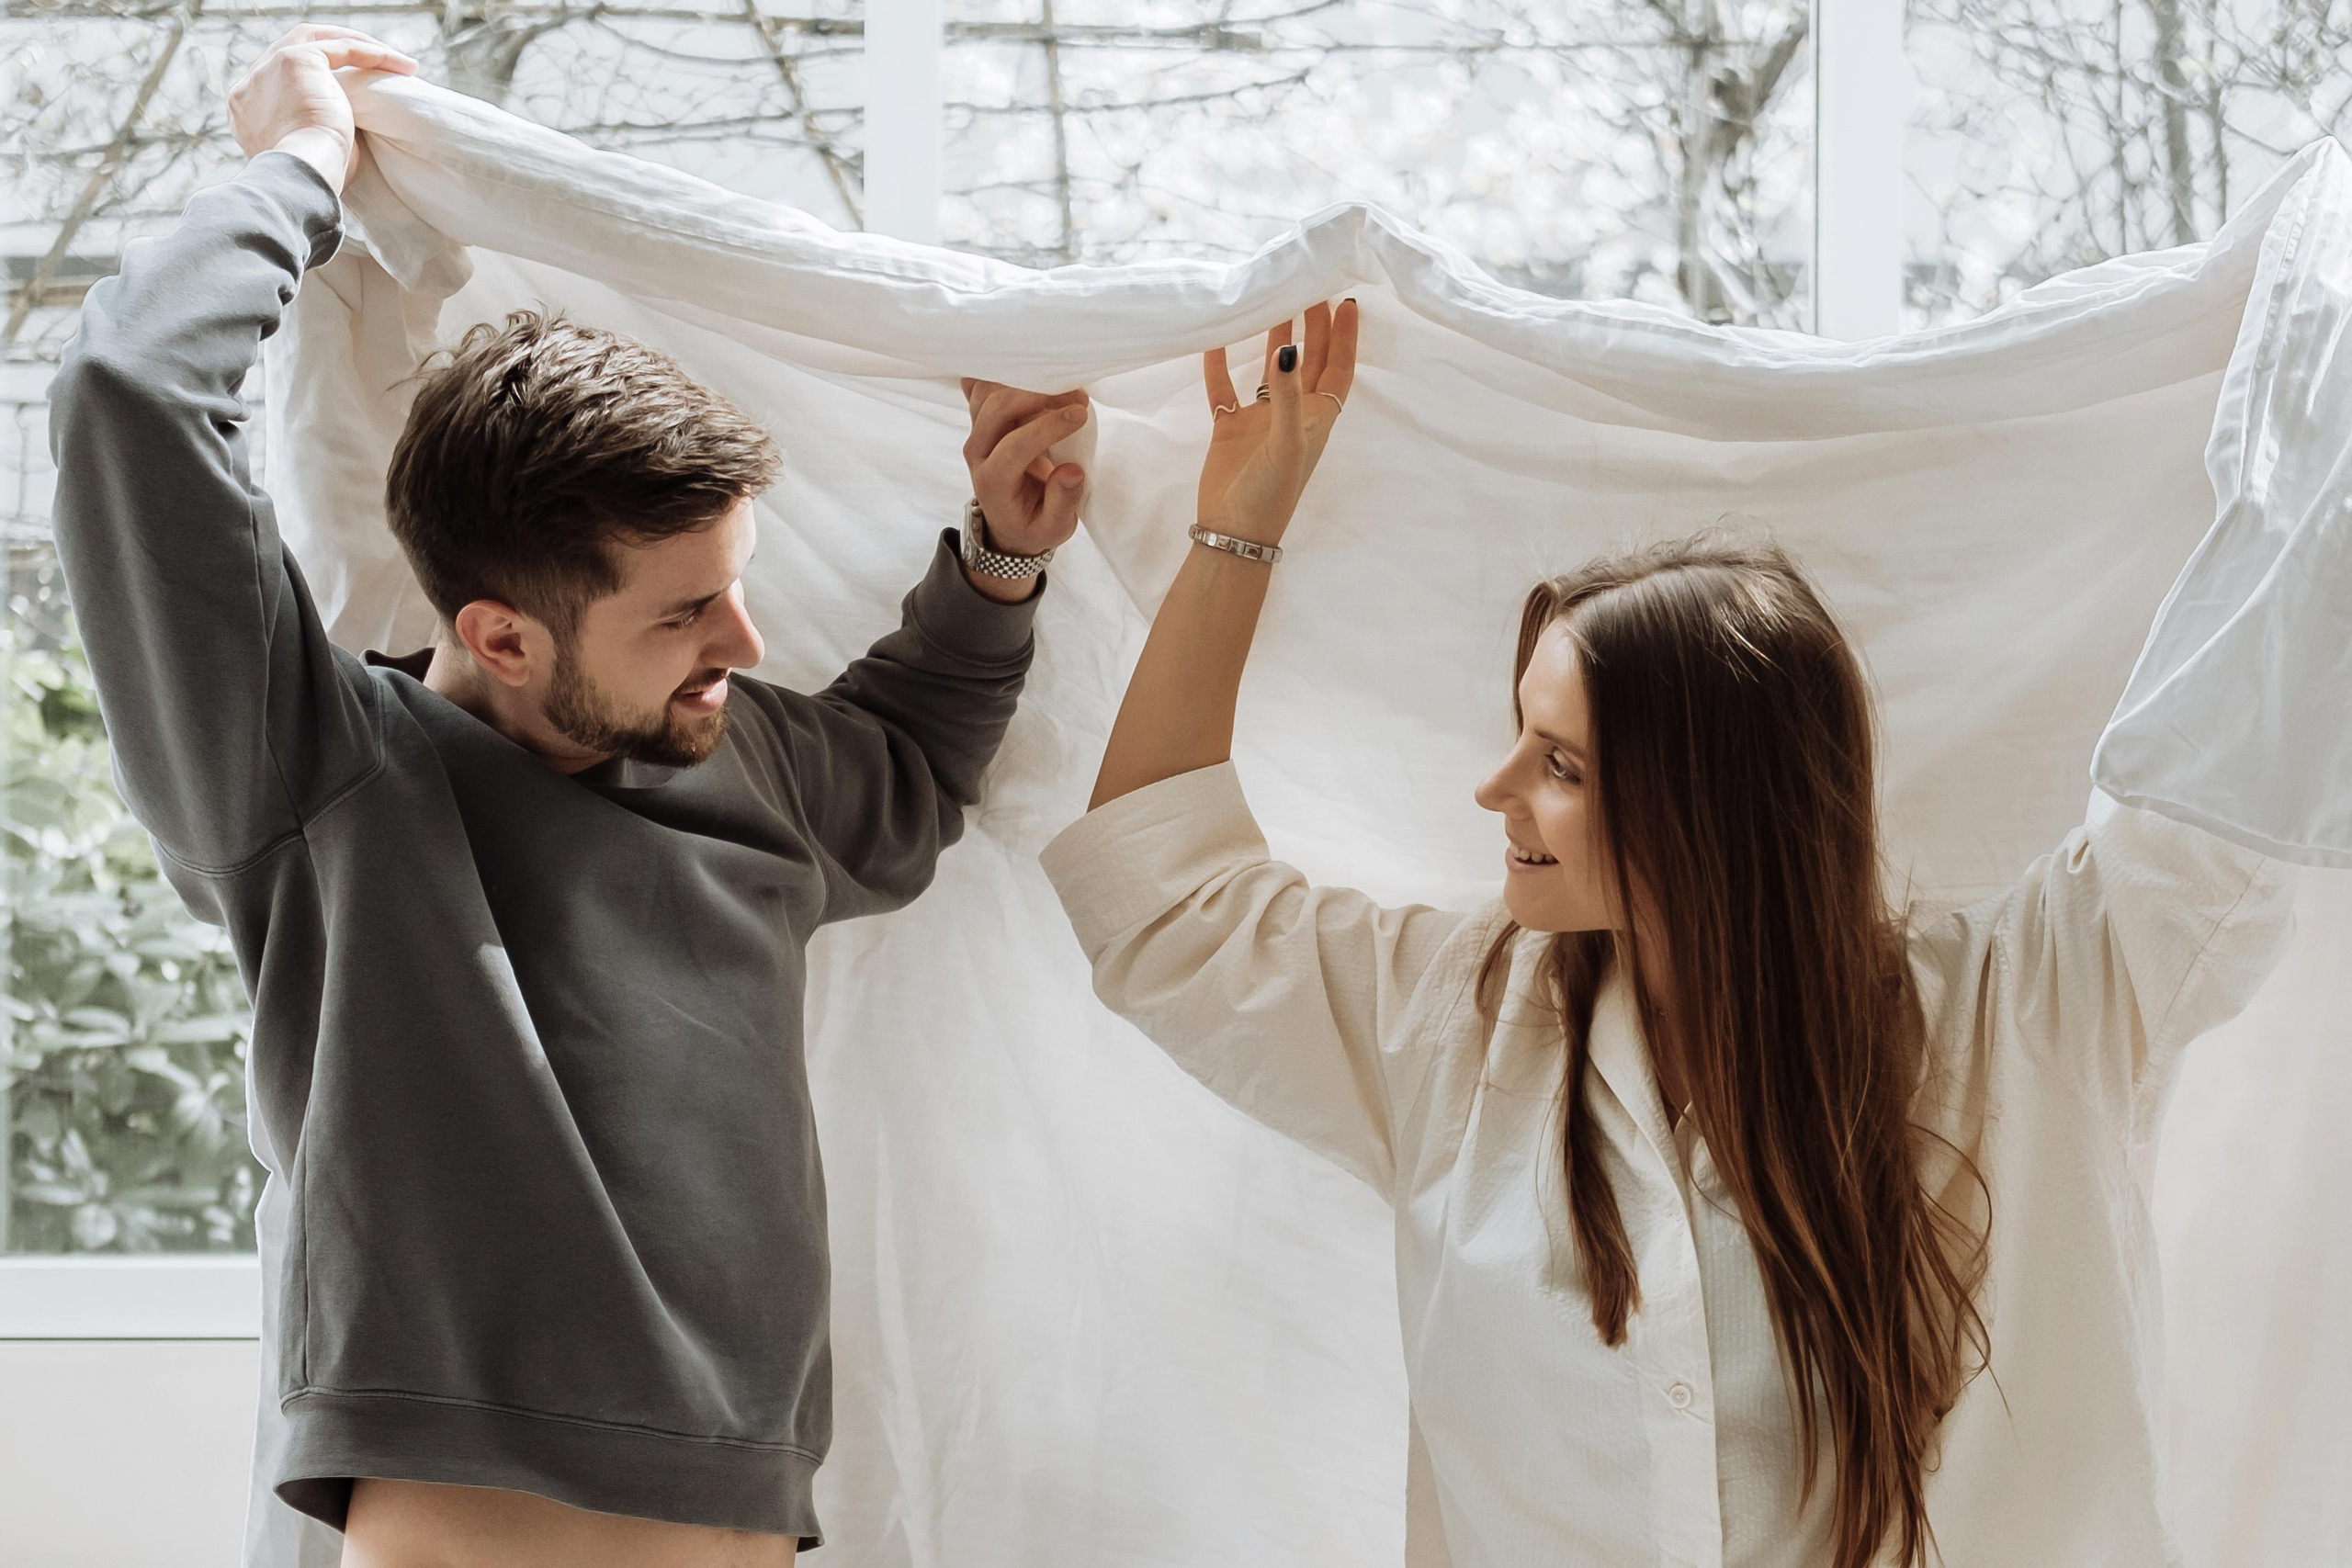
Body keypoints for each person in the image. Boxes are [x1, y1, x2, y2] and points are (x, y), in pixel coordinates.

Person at [48, 26, 1091, 1568]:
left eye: (730, 591)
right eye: (682, 615)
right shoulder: (326, 774)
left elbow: (919, 767)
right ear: (500, 635)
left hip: (749, 1520)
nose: (742, 645)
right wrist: (299, 169)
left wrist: (1001, 559)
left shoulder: (758, 758)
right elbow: (131, 393)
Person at [1037, 302, 2298, 1568]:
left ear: (1713, 806)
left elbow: (2241, 756)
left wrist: (2314, 392)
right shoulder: (1453, 1025)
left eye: (1563, 764)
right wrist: (1238, 527)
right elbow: (1161, 898)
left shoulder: (2023, 1009)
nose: (1496, 788)